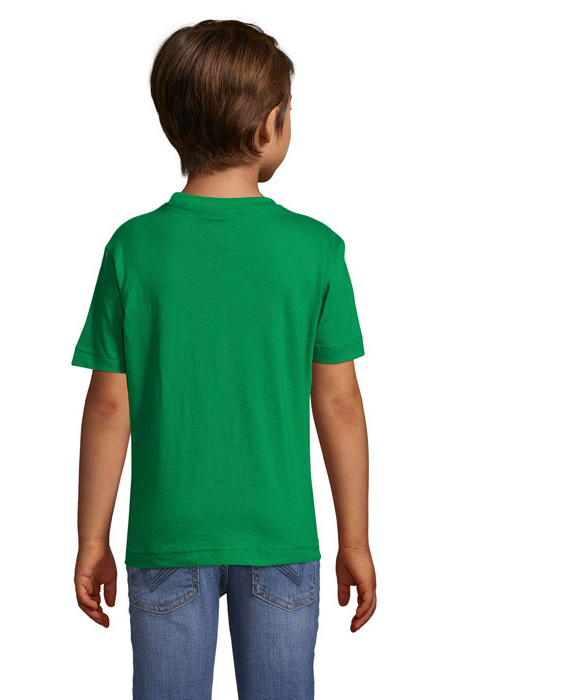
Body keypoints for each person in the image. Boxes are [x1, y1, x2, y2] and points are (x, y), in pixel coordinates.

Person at [71, 19, 376, 700]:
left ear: (173, 124)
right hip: (280, 537)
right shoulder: (316, 250)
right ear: (270, 126)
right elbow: (340, 404)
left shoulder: (133, 248)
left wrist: (93, 538)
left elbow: (110, 405)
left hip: (167, 537)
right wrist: (354, 539)